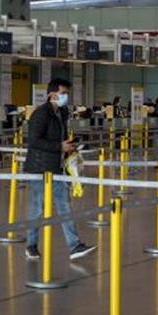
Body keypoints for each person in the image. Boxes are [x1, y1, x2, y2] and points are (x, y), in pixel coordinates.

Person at [23, 77, 96, 261]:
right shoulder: (41, 114)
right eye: (63, 93)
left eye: (66, 94)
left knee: (64, 205)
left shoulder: (61, 113)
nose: (66, 97)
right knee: (38, 208)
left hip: (57, 166)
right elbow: (33, 141)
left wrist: (69, 145)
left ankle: (75, 246)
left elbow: (59, 137)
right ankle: (31, 245)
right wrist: (59, 146)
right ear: (51, 94)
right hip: (40, 168)